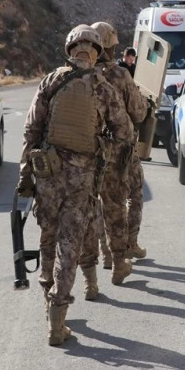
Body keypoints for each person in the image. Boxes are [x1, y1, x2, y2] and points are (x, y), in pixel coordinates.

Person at [16, 24, 133, 346]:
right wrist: (101, 146)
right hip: (82, 179)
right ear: (96, 53)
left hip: (48, 173)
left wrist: (25, 177)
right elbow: (124, 133)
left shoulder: (52, 80)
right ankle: (58, 322)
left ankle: (47, 309)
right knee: (70, 247)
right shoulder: (102, 86)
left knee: (47, 240)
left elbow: (31, 131)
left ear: (69, 50)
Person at [78, 22, 149, 301]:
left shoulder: (81, 74)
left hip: (87, 151)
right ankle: (122, 256)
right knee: (121, 202)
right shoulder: (119, 74)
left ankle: (105, 254)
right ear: (110, 45)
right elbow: (139, 112)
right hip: (118, 152)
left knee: (93, 204)